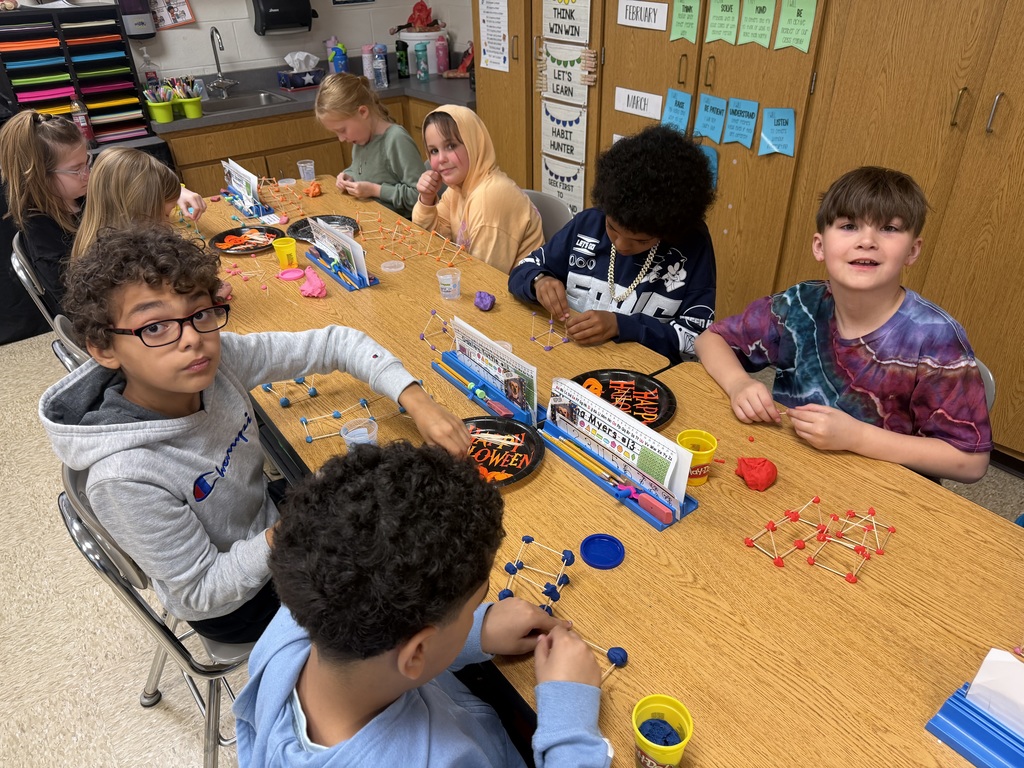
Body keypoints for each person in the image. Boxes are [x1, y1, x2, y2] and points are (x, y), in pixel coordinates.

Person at [38, 225, 471, 643]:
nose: (191, 339)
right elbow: (200, 591)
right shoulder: (125, 476)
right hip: (238, 605)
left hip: (267, 525)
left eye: (200, 313)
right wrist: (292, 530)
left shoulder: (217, 362)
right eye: (155, 327)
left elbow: (337, 343)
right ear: (104, 348)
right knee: (401, 580)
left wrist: (418, 401)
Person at [234, 441, 609, 766]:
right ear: (417, 652)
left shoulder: (297, 621)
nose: (477, 612)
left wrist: (474, 630)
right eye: (474, 606)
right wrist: (569, 720)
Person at [693, 166, 991, 483]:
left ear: (912, 251)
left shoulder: (935, 336)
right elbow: (710, 340)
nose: (867, 241)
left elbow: (970, 462)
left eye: (889, 228)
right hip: (793, 472)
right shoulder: (800, 303)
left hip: (883, 493)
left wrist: (857, 437)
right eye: (849, 226)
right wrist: (739, 383)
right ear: (819, 246)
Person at [507, 125, 716, 363]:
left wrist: (622, 326)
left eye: (641, 240)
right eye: (612, 228)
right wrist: (538, 280)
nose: (621, 245)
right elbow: (521, 270)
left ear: (669, 232)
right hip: (568, 358)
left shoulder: (691, 247)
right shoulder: (589, 224)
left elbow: (696, 340)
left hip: (640, 372)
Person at [0, 110, 205, 317]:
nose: (88, 175)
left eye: (87, 162)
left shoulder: (78, 192)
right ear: (38, 175)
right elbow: (86, 308)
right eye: (76, 169)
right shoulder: (45, 240)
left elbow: (132, 183)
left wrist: (174, 192)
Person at [413, 105, 543, 273]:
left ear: (473, 144)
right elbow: (431, 241)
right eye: (434, 151)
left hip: (509, 288)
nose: (441, 159)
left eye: (451, 146)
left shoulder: (489, 197)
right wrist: (427, 199)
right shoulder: (458, 188)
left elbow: (483, 276)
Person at [315, 73, 424, 218]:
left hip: (399, 225)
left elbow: (420, 196)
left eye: (342, 130)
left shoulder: (396, 139)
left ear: (363, 112)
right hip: (370, 218)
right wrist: (348, 176)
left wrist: (374, 190)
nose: (341, 139)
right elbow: (362, 171)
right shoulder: (361, 138)